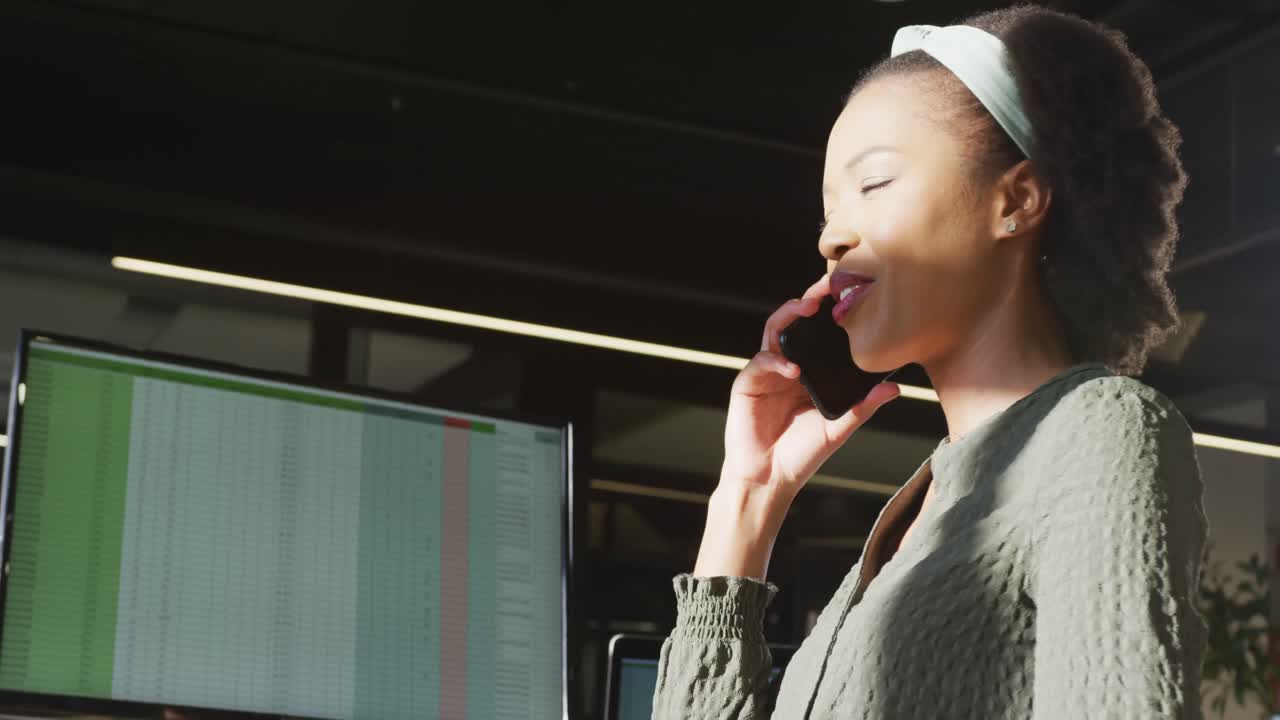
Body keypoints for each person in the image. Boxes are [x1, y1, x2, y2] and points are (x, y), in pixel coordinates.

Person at [652, 5, 1207, 719]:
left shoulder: (1100, 433)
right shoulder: (926, 508)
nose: (833, 237)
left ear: (1017, 200)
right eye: (827, 210)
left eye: (874, 184)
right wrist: (749, 497)